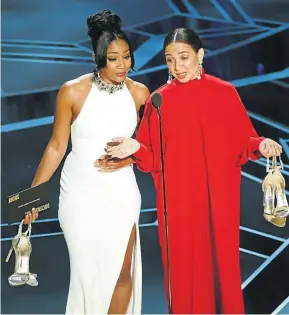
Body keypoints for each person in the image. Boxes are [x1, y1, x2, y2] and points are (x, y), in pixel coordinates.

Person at [105, 28, 283, 314]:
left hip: (219, 202)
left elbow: (243, 141)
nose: (178, 67)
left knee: (220, 269)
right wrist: (134, 147)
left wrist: (262, 144)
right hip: (178, 208)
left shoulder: (225, 93)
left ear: (200, 55)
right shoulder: (159, 101)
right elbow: (151, 159)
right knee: (184, 272)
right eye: (170, 60)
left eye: (184, 57)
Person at [23, 10, 150, 314]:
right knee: (88, 276)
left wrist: (132, 156)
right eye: (114, 59)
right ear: (97, 59)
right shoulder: (72, 92)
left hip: (122, 193)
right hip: (79, 195)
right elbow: (56, 147)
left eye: (127, 57)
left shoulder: (140, 94)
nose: (122, 65)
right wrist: (31, 199)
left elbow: (154, 146)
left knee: (122, 273)